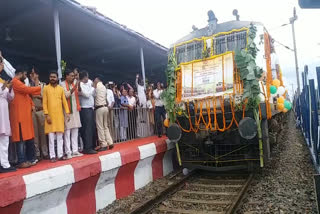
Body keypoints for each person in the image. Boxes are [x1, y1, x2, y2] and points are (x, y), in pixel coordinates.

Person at [10, 66, 41, 168]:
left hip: (24, 116)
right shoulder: (15, 82)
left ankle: (28, 159)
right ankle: (21, 161)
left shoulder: (19, 83)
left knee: (26, 138)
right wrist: (40, 87)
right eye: (25, 74)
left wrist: (32, 104)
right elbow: (27, 90)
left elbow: (27, 96)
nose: (26, 76)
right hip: (19, 116)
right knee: (20, 139)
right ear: (21, 73)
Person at [43, 71, 70, 162]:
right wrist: (47, 115)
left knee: (59, 136)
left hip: (59, 116)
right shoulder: (46, 88)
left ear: (57, 78)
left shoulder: (60, 89)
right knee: (51, 137)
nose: (52, 78)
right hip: (50, 116)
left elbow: (64, 102)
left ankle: (60, 155)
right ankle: (52, 156)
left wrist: (67, 112)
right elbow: (44, 103)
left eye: (54, 77)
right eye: (51, 77)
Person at [61, 70, 83, 159]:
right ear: (66, 76)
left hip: (75, 110)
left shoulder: (75, 83)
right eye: (71, 76)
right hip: (67, 111)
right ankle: (68, 152)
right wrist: (74, 87)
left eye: (74, 76)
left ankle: (75, 151)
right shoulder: (62, 85)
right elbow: (66, 95)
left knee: (75, 131)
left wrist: (78, 84)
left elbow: (80, 93)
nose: (73, 77)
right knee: (67, 132)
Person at [0, 62, 16, 172]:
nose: (1, 66)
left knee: (4, 139)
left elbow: (10, 98)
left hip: (4, 112)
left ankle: (5, 164)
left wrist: (9, 88)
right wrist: (3, 88)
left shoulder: (2, 80)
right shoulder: (2, 83)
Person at [30, 68, 48, 160]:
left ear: (37, 75)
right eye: (31, 73)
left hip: (41, 110)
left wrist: (36, 95)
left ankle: (45, 152)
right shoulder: (28, 85)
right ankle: (37, 153)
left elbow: (46, 98)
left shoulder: (43, 85)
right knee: (35, 133)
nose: (31, 75)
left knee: (43, 133)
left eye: (33, 73)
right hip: (33, 111)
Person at [78, 71, 97, 154]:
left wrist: (93, 88)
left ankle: (93, 146)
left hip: (91, 108)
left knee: (92, 128)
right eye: (87, 77)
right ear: (84, 77)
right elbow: (86, 95)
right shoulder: (80, 85)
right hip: (84, 109)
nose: (88, 79)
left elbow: (94, 94)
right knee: (87, 129)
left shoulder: (89, 82)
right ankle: (87, 147)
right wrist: (93, 88)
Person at [93, 78, 113, 151]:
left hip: (99, 108)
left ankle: (103, 144)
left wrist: (94, 86)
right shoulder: (104, 87)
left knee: (100, 127)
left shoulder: (96, 86)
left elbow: (93, 95)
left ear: (97, 80)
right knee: (105, 126)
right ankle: (110, 142)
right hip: (105, 107)